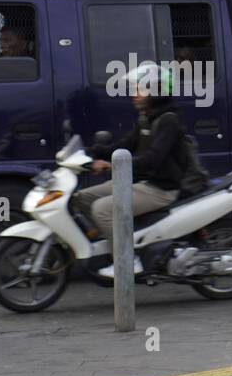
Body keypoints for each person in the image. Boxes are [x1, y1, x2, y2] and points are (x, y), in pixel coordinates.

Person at [75, 63, 184, 273]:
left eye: (140, 89)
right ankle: (113, 244)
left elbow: (154, 158)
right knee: (82, 198)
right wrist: (93, 151)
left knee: (102, 209)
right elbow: (125, 145)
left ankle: (127, 259)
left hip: (160, 189)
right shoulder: (146, 119)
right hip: (140, 183)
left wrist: (112, 164)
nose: (135, 94)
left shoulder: (168, 121)